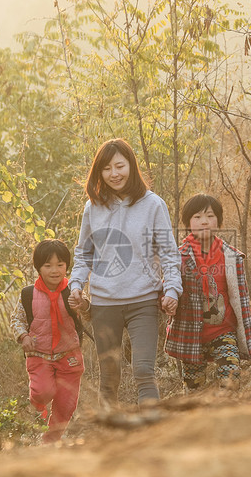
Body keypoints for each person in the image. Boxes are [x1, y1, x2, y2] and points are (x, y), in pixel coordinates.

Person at [68, 138, 182, 408]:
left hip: (143, 300)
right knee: (109, 376)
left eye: (120, 166)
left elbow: (169, 253)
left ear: (131, 166)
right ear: (99, 172)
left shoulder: (153, 205)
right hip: (104, 304)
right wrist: (76, 284)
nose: (114, 173)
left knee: (144, 370)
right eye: (107, 168)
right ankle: (110, 438)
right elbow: (84, 254)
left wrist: (172, 289)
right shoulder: (92, 208)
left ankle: (151, 432)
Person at [164, 194, 251, 390]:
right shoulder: (178, 257)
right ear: (188, 223)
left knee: (230, 378)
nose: (204, 221)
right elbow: (167, 288)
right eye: (197, 217)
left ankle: (227, 417)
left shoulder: (231, 257)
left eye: (210, 216)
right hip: (191, 335)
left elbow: (241, 298)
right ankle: (197, 420)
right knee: (194, 388)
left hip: (223, 332)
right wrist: (167, 301)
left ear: (219, 222)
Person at [11, 239, 88, 443]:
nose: (55, 270)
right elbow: (17, 319)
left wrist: (83, 305)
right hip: (39, 354)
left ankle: (49, 442)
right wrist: (23, 336)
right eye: (48, 265)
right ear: (38, 268)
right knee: (43, 391)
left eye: (60, 265)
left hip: (69, 355)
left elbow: (88, 316)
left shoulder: (72, 291)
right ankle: (38, 411)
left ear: (67, 266)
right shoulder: (28, 294)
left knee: (66, 405)